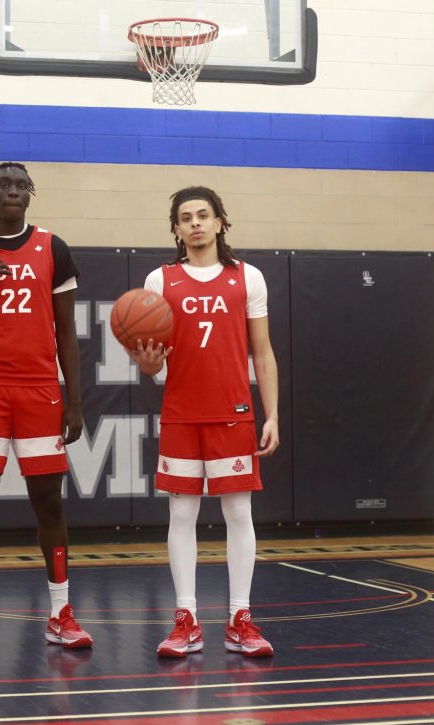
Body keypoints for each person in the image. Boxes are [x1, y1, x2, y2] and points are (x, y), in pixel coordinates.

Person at [0, 161, 91, 654]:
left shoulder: (54, 249)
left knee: (49, 501)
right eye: (3, 184)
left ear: (30, 195)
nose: (12, 191)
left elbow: (66, 333)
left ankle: (61, 612)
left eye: (19, 185)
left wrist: (75, 401)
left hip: (39, 388)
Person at [130, 186, 279, 658]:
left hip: (233, 414)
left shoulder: (247, 277)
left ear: (219, 222)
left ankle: (240, 618)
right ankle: (186, 619)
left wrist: (271, 413)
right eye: (185, 217)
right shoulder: (160, 280)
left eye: (203, 215)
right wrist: (148, 364)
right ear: (175, 229)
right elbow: (151, 365)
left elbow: (263, 351)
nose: (195, 223)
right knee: (181, 514)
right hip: (181, 413)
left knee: (239, 514)